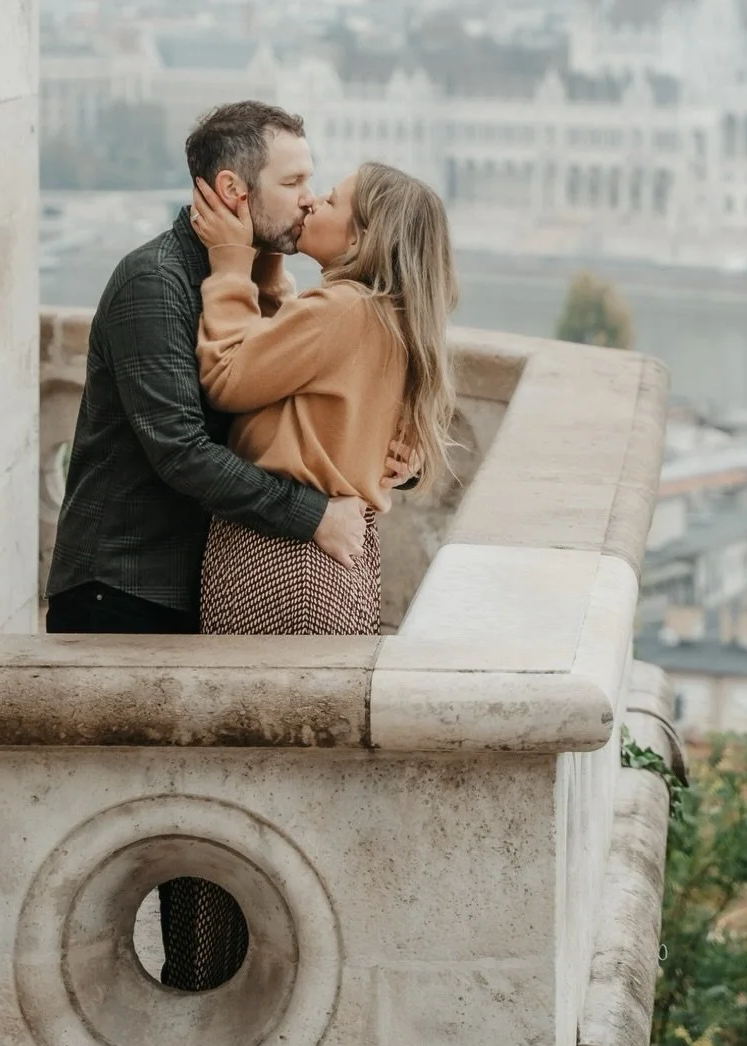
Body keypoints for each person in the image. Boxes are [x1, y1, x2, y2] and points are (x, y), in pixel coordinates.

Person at [45, 100, 377, 989]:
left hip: (182, 586)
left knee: (212, 831)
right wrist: (313, 518)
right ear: (233, 189)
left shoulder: (251, 282)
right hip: (121, 591)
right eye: (294, 182)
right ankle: (177, 1010)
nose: (309, 202)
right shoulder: (154, 280)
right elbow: (182, 451)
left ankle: (208, 997)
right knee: (163, 838)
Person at [189, 158, 458, 638]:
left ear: (360, 238)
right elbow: (293, 375)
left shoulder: (342, 309)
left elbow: (229, 375)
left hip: (284, 559)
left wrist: (231, 265)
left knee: (260, 709)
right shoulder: (389, 316)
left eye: (331, 200)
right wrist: (270, 264)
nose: (312, 200)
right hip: (340, 561)